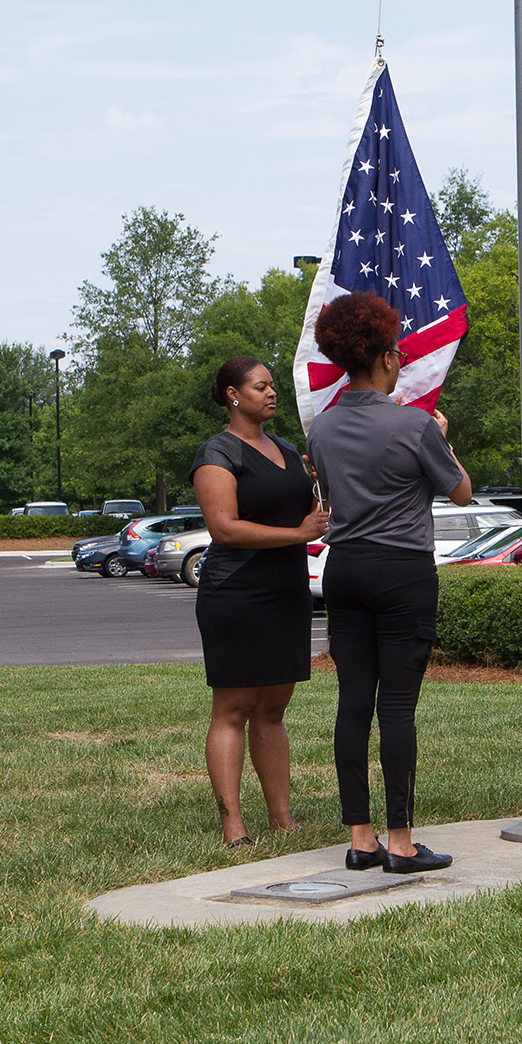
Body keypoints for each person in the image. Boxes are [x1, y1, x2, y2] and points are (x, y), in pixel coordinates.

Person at [305, 291, 471, 874]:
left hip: (344, 568)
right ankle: (401, 843)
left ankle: (361, 838)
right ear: (387, 359)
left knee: (353, 703)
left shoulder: (320, 431)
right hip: (401, 570)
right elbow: (461, 492)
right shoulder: (416, 424)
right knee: (397, 707)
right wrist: (440, 437)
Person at [189, 356, 330, 847]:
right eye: (260, 386)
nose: (271, 393)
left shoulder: (288, 449)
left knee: (273, 709)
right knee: (233, 707)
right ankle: (233, 825)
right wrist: (297, 533)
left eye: (272, 386)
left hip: (287, 591)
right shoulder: (217, 453)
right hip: (237, 592)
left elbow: (311, 508)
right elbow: (224, 528)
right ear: (233, 394)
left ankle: (282, 819)